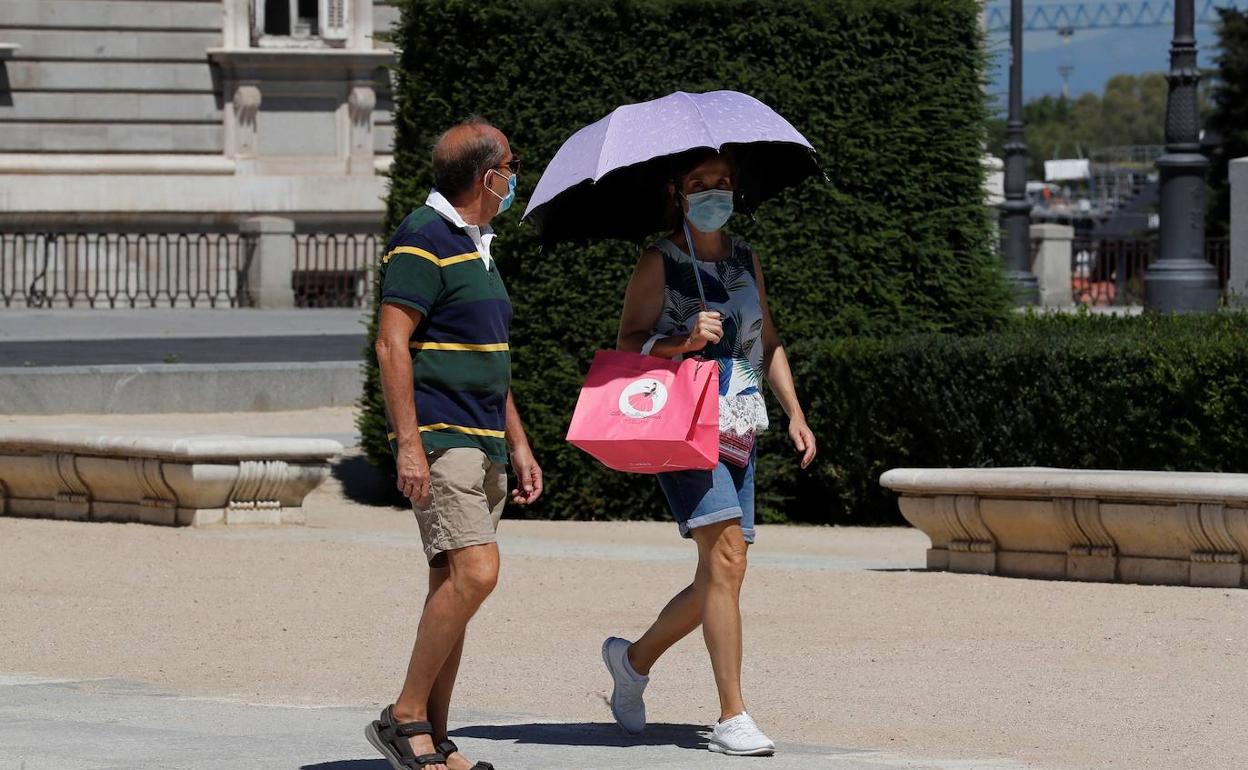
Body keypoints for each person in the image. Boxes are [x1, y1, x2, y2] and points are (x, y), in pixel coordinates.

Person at [605, 147, 816, 757]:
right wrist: (683, 339)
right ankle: (732, 715)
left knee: (724, 571)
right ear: (678, 191)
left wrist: (795, 411)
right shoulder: (660, 259)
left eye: (722, 182)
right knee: (724, 557)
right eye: (700, 182)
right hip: (681, 421)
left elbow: (766, 339)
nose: (713, 191)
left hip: (740, 418)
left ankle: (633, 661)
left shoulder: (747, 259)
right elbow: (627, 344)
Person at [369, 118, 543, 770]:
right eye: (511, 164)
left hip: (484, 440)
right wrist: (408, 445)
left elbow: (489, 359)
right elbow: (392, 343)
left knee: (452, 584)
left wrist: (519, 444)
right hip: (444, 440)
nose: (515, 176)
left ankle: (434, 745)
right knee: (477, 572)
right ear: (485, 175)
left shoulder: (480, 246)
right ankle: (405, 715)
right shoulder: (423, 236)